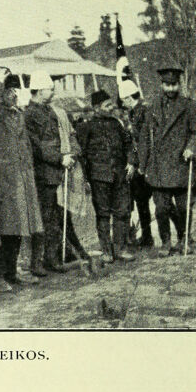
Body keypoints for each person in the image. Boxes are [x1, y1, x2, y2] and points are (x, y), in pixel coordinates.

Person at [0, 68, 43, 289]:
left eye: (15, 89)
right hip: (1, 180)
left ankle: (12, 273)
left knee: (18, 228)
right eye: (8, 90)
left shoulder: (18, 114)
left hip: (21, 179)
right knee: (3, 230)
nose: (13, 94)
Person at [138, 60, 196, 255]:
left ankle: (185, 239)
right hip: (159, 167)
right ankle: (167, 241)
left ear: (179, 84)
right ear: (161, 85)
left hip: (182, 164)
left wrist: (192, 148)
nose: (171, 88)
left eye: (174, 84)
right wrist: (142, 165)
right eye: (167, 85)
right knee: (161, 209)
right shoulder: (152, 106)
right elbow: (144, 137)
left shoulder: (190, 106)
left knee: (185, 208)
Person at [25, 71, 88, 272]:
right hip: (44, 173)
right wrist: (60, 158)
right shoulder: (30, 115)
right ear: (38, 90)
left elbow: (62, 138)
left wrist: (68, 155)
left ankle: (60, 255)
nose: (52, 92)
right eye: (49, 89)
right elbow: (38, 146)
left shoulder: (49, 111)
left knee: (58, 215)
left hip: (56, 172)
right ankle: (51, 259)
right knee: (48, 217)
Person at [76, 89, 137, 263]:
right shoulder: (86, 126)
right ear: (96, 108)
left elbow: (129, 145)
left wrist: (131, 162)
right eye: (107, 105)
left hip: (120, 175)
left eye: (111, 104)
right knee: (103, 214)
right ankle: (106, 251)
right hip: (99, 177)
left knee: (122, 212)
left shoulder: (117, 124)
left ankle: (120, 249)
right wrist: (86, 179)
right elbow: (81, 153)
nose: (111, 107)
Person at [117, 80, 155, 248]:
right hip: (141, 163)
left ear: (128, 98)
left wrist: (137, 163)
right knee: (142, 202)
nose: (123, 104)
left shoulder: (142, 112)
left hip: (145, 164)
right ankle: (147, 237)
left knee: (155, 202)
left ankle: (150, 238)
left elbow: (142, 141)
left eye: (123, 100)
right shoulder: (136, 111)